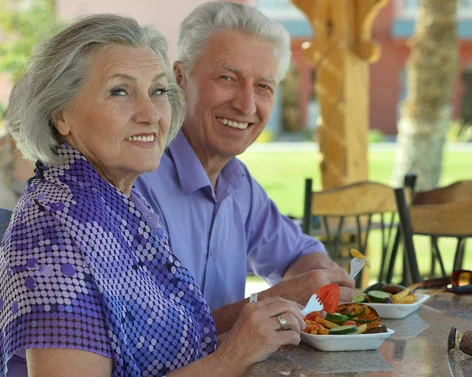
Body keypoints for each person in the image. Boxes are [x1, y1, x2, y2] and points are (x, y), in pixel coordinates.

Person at [0, 13, 304, 377]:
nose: (150, 113)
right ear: (60, 114)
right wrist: (232, 356)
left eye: (158, 91)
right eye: (119, 91)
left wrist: (248, 338)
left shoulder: (118, 205)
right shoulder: (51, 226)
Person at [135, 1, 355, 334]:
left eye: (264, 87)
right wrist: (267, 303)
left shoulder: (238, 183)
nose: (247, 105)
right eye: (227, 78)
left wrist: (319, 277)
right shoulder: (135, 181)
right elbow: (151, 338)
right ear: (179, 78)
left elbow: (299, 254)